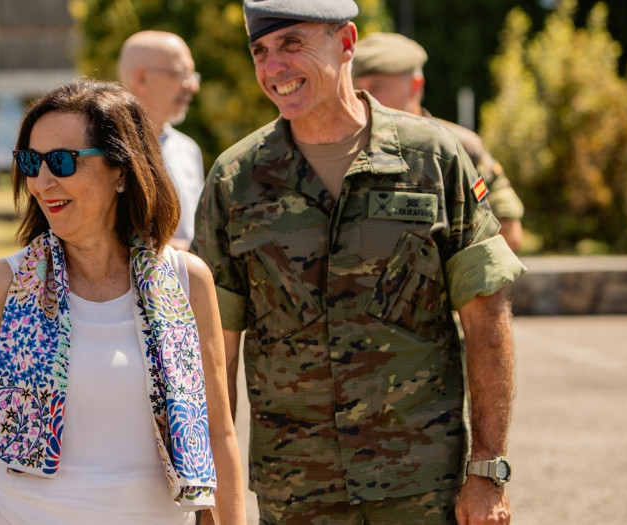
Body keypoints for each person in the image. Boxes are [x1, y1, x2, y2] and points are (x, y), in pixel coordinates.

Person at [192, 0, 527, 523]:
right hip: (296, 490)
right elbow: (216, 353)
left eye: (291, 44)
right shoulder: (236, 181)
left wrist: (488, 471)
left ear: (346, 42)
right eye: (260, 51)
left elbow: (487, 318)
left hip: (420, 488)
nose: (272, 67)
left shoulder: (431, 157)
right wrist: (210, 493)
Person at [0, 79, 246, 525]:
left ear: (121, 171)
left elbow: (217, 435)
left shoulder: (187, 281)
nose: (42, 181)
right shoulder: (0, 284)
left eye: (61, 162)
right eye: (30, 161)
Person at [352, 32, 525, 252]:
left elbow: (508, 230)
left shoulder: (457, 147)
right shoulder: (348, 148)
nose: (363, 96)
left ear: (415, 85)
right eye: (357, 87)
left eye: (376, 87)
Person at [118, 30, 205, 251]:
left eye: (193, 76)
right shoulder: (103, 149)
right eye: (182, 74)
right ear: (142, 78)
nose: (192, 86)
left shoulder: (188, 149)